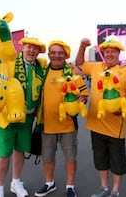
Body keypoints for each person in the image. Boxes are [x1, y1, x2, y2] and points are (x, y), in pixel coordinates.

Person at [75, 38, 126, 197]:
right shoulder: (97, 67)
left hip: (115, 128)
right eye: (106, 52)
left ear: (118, 53)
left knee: (117, 161)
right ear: (103, 54)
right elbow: (79, 64)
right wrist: (82, 46)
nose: (109, 54)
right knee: (100, 159)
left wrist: (122, 109)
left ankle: (115, 191)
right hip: (95, 124)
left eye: (113, 51)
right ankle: (104, 188)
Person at [0, 38, 47, 197]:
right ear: (22, 47)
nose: (32, 51)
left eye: (36, 49)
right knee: (4, 153)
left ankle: (16, 182)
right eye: (29, 47)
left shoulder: (40, 65)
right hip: (7, 116)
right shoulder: (9, 62)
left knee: (20, 151)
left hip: (28, 117)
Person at [34, 40, 88, 197]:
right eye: (53, 52)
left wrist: (82, 100)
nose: (56, 55)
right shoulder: (43, 72)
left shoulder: (72, 72)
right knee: (48, 157)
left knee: (70, 157)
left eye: (60, 53)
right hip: (46, 124)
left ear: (65, 55)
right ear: (49, 54)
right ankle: (49, 183)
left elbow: (84, 94)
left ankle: (70, 186)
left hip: (68, 124)